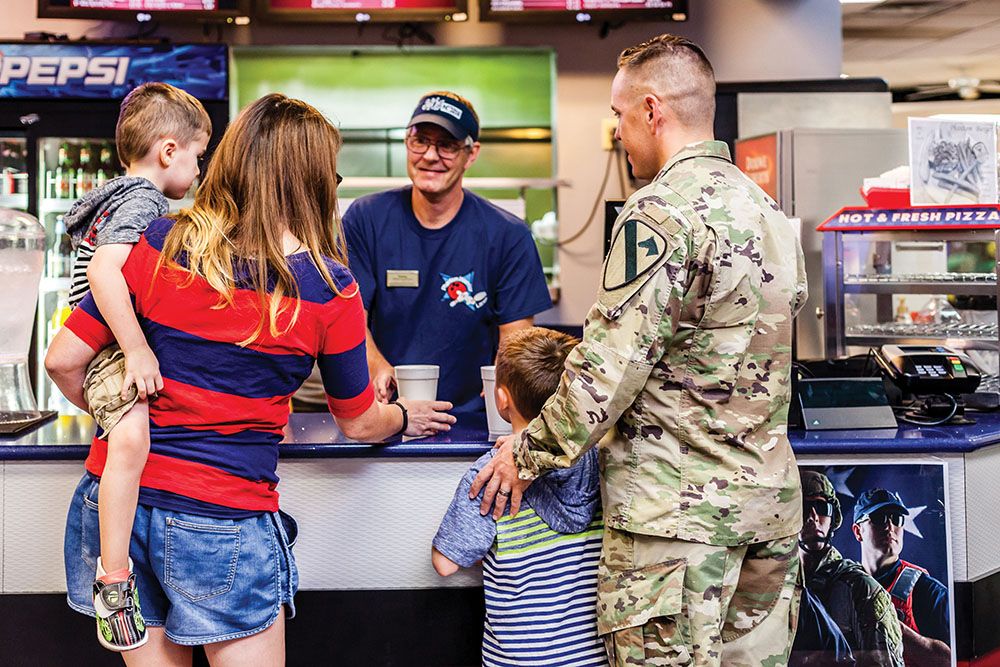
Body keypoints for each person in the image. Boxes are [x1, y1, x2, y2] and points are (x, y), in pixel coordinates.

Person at [46, 93, 454, 665]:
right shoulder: (327, 288)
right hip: (223, 517)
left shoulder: (159, 243)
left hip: (116, 509)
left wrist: (125, 414)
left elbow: (64, 359)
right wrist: (406, 417)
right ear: (313, 179)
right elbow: (359, 418)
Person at [470, 33, 809, 666]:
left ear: (652, 110)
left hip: (674, 527)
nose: (618, 134)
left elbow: (607, 370)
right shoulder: (766, 210)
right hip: (766, 511)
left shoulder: (659, 211)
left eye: (620, 117)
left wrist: (528, 453)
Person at [62, 81, 211, 652]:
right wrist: (138, 349)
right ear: (169, 150)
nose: (198, 170)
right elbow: (104, 274)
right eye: (197, 155)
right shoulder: (146, 201)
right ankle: (115, 580)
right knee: (130, 441)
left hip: (104, 346)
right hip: (106, 346)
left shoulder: (126, 194)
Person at [342, 90, 552, 417]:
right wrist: (377, 366)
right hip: (389, 415)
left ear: (471, 154)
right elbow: (349, 317)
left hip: (473, 421)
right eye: (420, 140)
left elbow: (516, 345)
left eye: (447, 145)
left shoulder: (508, 236)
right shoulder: (365, 219)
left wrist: (502, 402)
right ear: (406, 144)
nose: (430, 155)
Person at [431, 327, 604, 666]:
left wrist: (498, 546)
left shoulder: (490, 474)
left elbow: (445, 563)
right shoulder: (600, 460)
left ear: (501, 398)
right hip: (592, 656)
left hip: (520, 657)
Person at [799, 471, 904, 667]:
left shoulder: (860, 588)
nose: (814, 517)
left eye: (823, 508)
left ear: (833, 517)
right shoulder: (773, 583)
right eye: (805, 508)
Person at [853, 488, 951, 667]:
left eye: (896, 519)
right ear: (858, 531)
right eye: (879, 517)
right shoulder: (845, 586)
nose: (890, 526)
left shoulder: (928, 591)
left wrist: (894, 628)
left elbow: (950, 660)